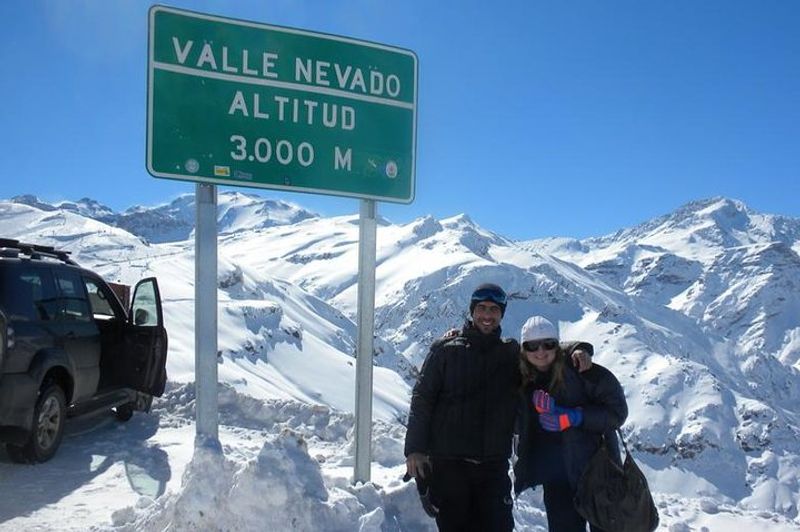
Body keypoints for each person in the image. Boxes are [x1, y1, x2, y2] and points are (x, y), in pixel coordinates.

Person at [403, 284, 593, 531]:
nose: (487, 315)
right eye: (481, 308)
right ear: (472, 312)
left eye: (494, 309)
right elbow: (422, 398)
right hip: (450, 465)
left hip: (493, 467)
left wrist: (579, 348)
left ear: (501, 314)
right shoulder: (445, 351)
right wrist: (415, 449)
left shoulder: (511, 353)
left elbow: (544, 351)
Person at [513, 316, 628, 532]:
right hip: (556, 479)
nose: (540, 351)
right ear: (523, 349)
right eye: (532, 345)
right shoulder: (520, 379)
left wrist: (575, 417)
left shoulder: (582, 369)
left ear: (557, 345)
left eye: (548, 344)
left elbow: (617, 412)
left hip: (597, 472)